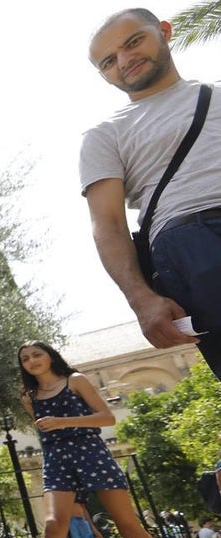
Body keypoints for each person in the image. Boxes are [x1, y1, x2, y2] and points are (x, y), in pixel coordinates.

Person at [81, 9, 221, 377]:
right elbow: (107, 224)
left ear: (163, 31)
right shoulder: (105, 135)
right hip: (196, 243)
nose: (125, 60)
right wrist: (141, 300)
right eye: (109, 61)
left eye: (133, 42)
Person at [17, 341, 191, 538]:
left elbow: (107, 417)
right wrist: (53, 428)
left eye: (37, 354)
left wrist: (62, 422)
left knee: (129, 527)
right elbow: (43, 430)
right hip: (56, 458)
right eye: (25, 358)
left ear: (50, 356)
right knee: (53, 523)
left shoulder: (75, 380)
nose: (32, 360)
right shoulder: (29, 396)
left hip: (91, 452)